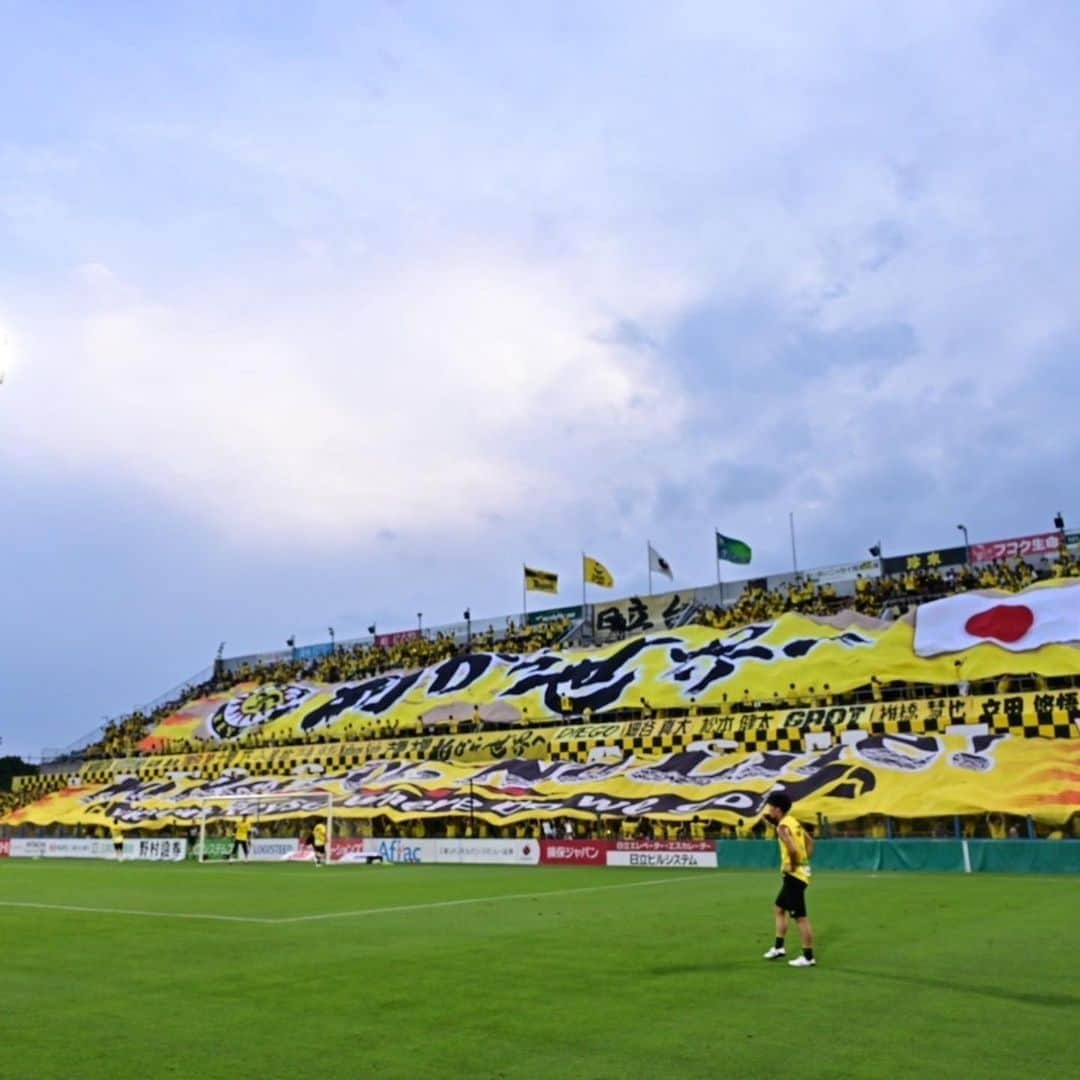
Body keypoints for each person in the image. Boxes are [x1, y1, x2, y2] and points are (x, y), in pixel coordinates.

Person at [761, 791, 816, 968]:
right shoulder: (792, 822)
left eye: (771, 807)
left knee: (801, 918)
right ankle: (779, 948)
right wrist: (804, 860)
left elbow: (792, 849)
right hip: (801, 874)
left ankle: (808, 957)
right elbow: (810, 842)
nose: (769, 810)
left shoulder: (782, 827)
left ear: (777, 809)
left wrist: (792, 865)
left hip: (794, 876)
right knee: (779, 908)